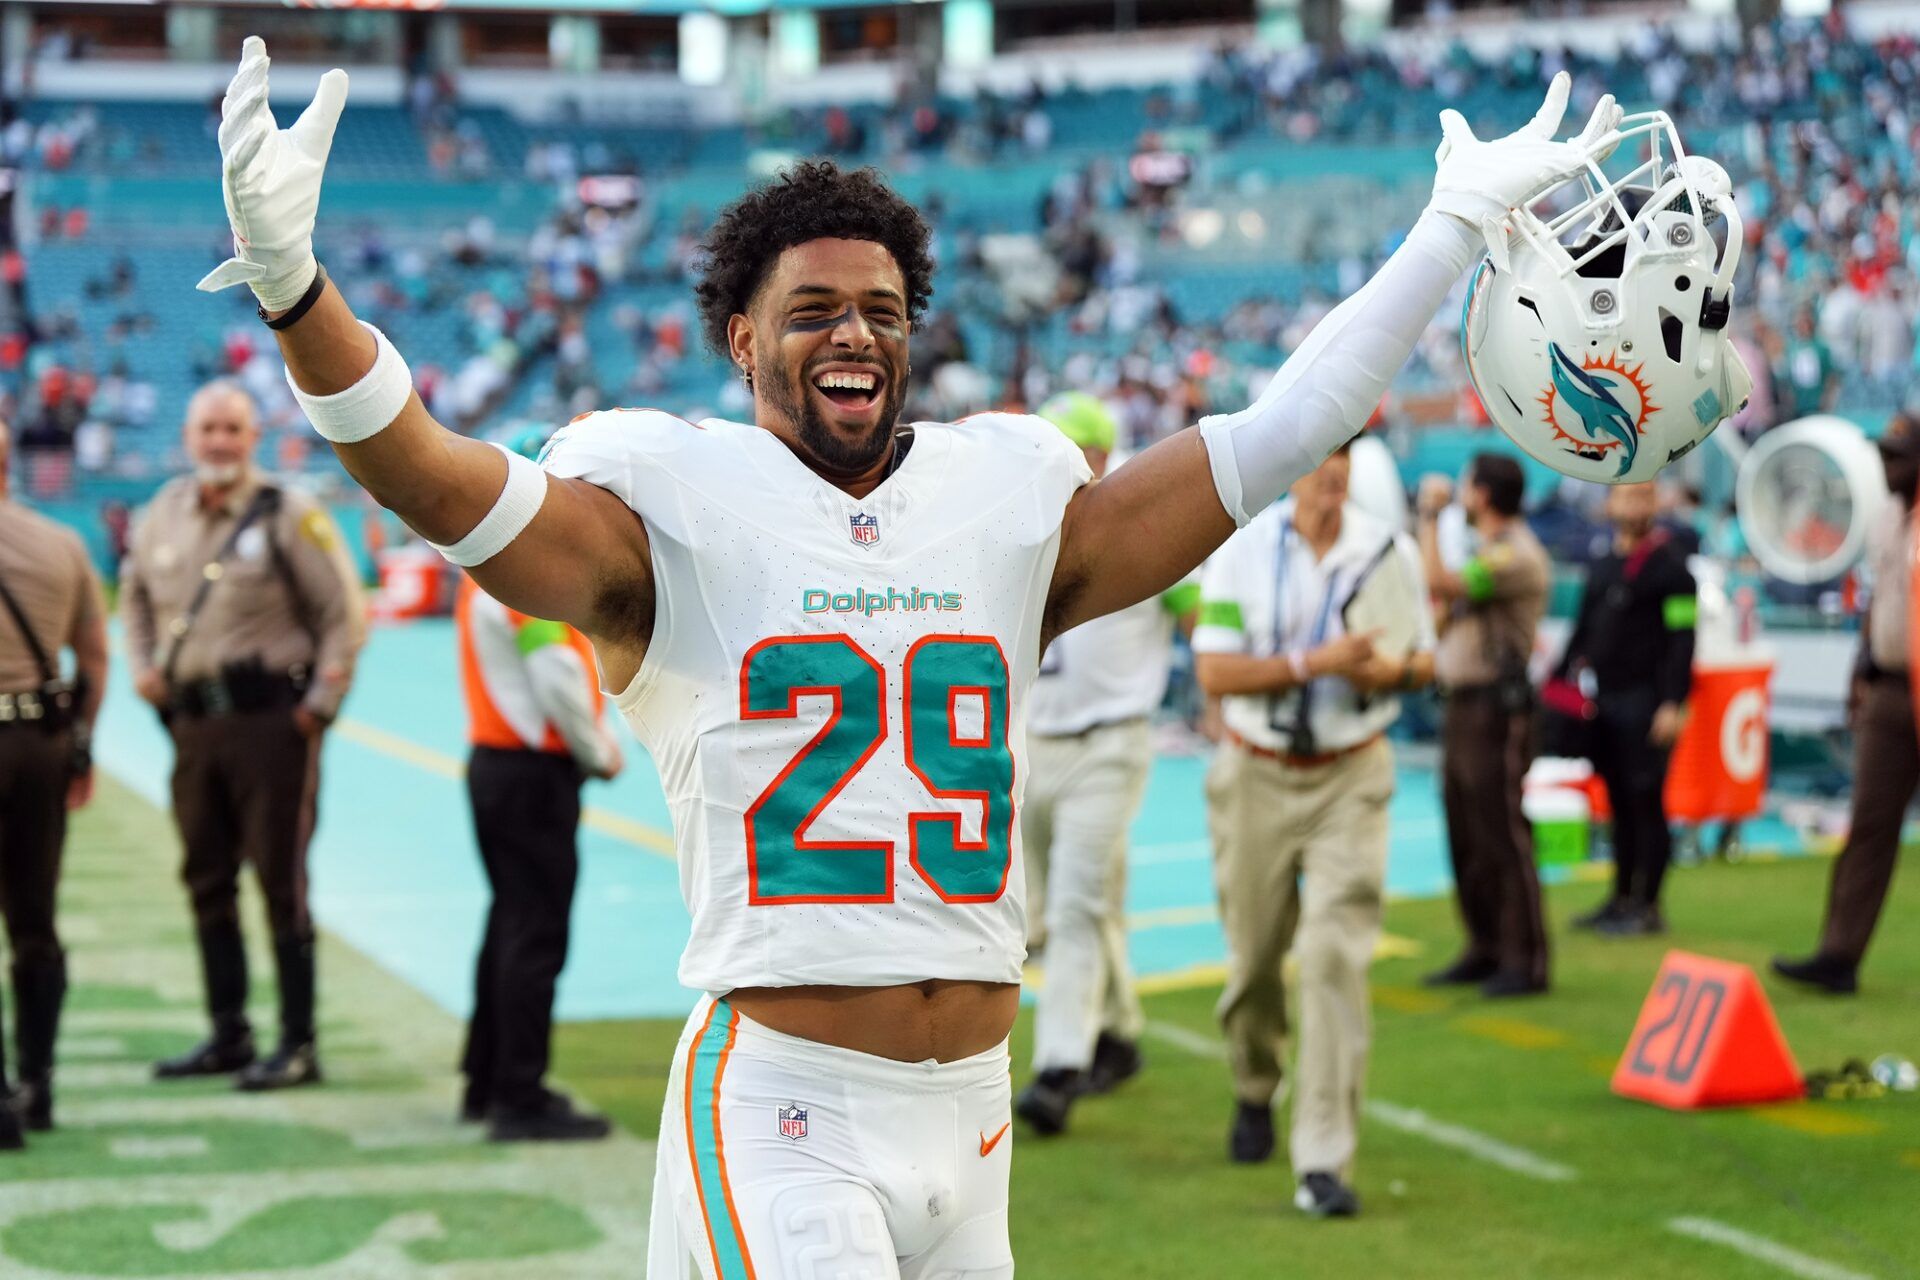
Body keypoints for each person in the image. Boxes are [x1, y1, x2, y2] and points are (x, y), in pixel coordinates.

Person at [198, 39, 1615, 1275]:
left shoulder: (1001, 496)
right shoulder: (666, 505)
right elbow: (438, 481)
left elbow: (1274, 437)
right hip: (784, 1101)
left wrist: (1445, 231)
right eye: (811, 309)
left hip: (974, 1115)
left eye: (880, 306)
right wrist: (294, 290)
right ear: (741, 339)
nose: (853, 330)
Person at [1191, 444, 1435, 1217]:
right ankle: (1254, 1083)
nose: (1330, 471)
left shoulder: (1385, 547)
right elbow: (1216, 675)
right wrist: (1317, 663)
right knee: (1256, 960)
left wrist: (1386, 674)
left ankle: (1323, 1159)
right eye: (1318, 455)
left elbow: (1422, 659)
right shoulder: (1242, 546)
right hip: (1256, 768)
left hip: (1351, 772)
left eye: (1343, 456)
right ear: (1291, 465)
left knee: (1334, 956)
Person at [121, 380, 367, 1090]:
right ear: (188, 437)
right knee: (205, 877)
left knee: (280, 880)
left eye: (233, 428)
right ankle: (229, 1033)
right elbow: (134, 597)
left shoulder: (290, 512)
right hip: (193, 726)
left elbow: (341, 617)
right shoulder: (162, 513)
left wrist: (318, 708)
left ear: (254, 435)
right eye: (208, 430)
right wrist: (141, 666)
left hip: (272, 725)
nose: (220, 441)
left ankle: (298, 1043)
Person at [1014, 392, 1198, 1137]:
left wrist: (1218, 665)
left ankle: (1059, 1066)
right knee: (1043, 915)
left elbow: (1197, 601)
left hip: (1110, 741)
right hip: (1033, 741)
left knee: (1079, 903)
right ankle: (1118, 1031)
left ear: (1097, 454)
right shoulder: (1019, 525)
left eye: (1070, 449)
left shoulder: (1138, 520)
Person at [456, 565, 625, 1141]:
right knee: (534, 935)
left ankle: (486, 1078)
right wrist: (598, 751)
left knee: (509, 923)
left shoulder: (479, 575)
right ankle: (518, 1094)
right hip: (532, 775)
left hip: (498, 767)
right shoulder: (517, 582)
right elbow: (555, 673)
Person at [1774, 414, 1920, 994]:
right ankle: (1838, 955)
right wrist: (1858, 668)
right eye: (1884, 454)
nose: (1887, 466)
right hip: (1890, 686)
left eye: (1899, 456)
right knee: (1869, 824)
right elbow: (1881, 597)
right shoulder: (1887, 518)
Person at [0, 419, 107, 1147]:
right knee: (34, 921)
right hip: (35, 744)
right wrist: (78, 746)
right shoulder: (61, 543)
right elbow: (93, 661)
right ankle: (37, 1083)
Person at [1418, 453, 1552, 997]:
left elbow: (1440, 584)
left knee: (1502, 832)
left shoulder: (1514, 554)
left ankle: (1526, 958)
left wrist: (1427, 518)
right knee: (1466, 830)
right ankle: (1486, 945)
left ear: (1482, 494)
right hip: (1465, 704)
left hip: (1497, 708)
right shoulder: (1493, 553)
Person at [1559, 481, 1696, 936]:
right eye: (1630, 496)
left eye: (1646, 496)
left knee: (1646, 802)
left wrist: (1672, 703)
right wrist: (1557, 688)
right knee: (1617, 802)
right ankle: (1619, 898)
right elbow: (1582, 632)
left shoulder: (1673, 569)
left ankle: (1649, 905)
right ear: (1610, 502)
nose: (1638, 505)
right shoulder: (1601, 565)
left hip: (1648, 702)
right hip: (1606, 701)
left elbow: (1683, 640)